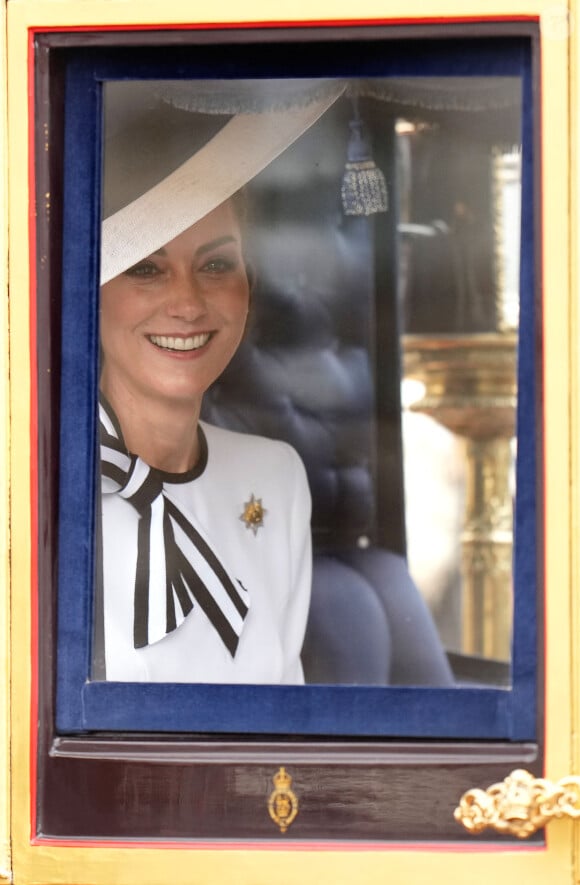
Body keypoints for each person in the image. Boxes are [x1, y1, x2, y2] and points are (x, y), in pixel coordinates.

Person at [95, 81, 343, 683]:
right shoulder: (27, 491)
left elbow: (283, 725)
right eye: (146, 269)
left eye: (215, 265)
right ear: (90, 292)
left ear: (248, 285)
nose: (187, 303)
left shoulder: (276, 480)